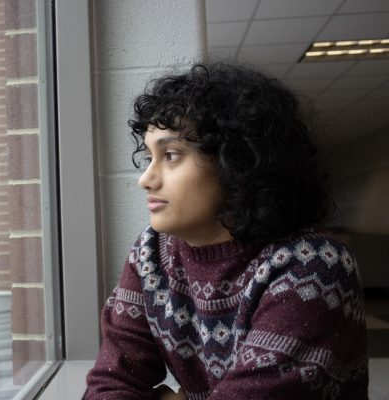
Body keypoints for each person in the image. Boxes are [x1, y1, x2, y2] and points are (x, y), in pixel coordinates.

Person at [84, 62, 368, 400]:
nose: (145, 179)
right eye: (149, 158)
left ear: (235, 160)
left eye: (171, 155)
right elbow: (107, 387)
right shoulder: (152, 253)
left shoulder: (315, 267)